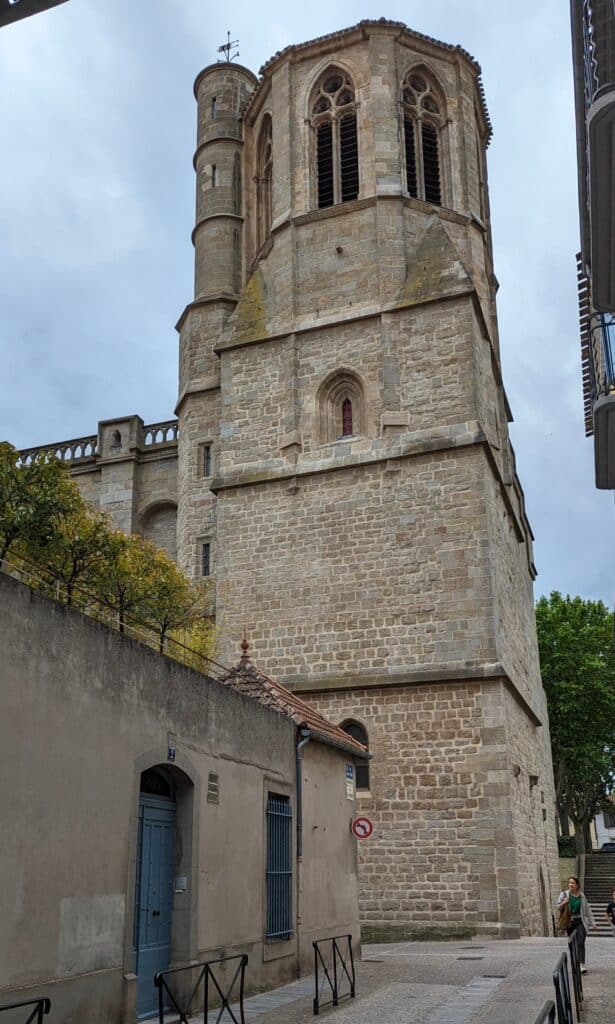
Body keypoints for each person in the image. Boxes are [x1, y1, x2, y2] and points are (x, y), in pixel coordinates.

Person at [557, 875, 597, 973]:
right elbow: (558, 907)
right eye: (569, 883)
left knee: (580, 942)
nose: (570, 884)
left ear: (577, 885)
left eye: (573, 883)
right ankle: (575, 962)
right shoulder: (564, 894)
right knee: (571, 943)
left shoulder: (582, 896)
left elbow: (587, 910)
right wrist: (564, 902)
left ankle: (581, 964)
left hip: (580, 921)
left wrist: (593, 923)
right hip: (570, 922)